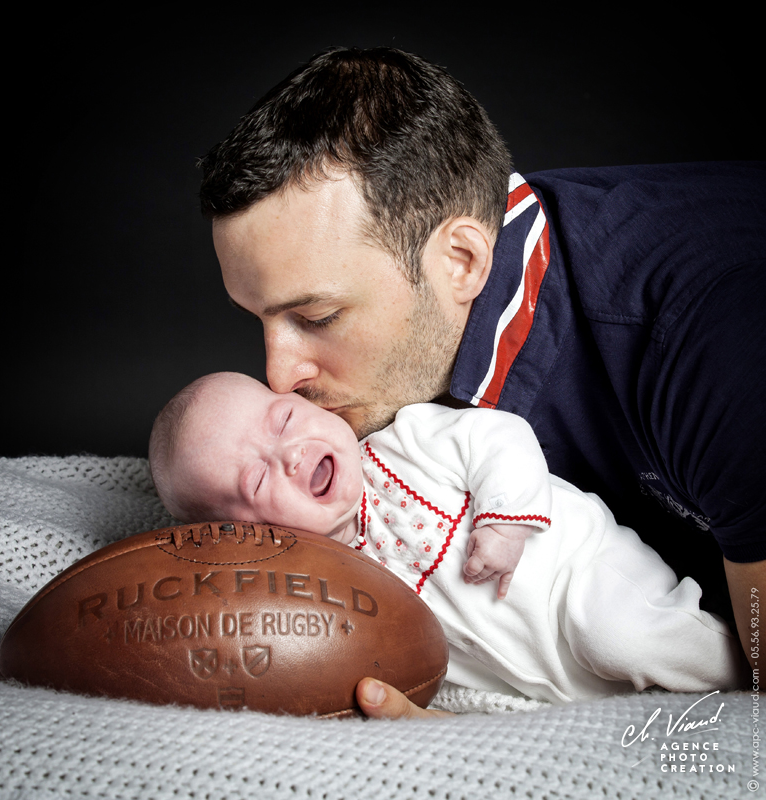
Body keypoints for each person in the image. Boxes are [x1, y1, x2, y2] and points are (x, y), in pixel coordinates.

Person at [198, 47, 765, 715]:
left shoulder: (711, 345)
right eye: (260, 320)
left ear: (463, 260)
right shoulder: (422, 360)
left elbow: (750, 704)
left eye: (316, 315)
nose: (277, 375)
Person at [149, 371, 745, 705]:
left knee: (625, 637)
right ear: (246, 536)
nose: (289, 453)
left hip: (578, 577)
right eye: (255, 478)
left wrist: (505, 519)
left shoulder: (405, 441)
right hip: (535, 683)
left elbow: (500, 437)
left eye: (282, 419)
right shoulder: (324, 584)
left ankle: (745, 668)